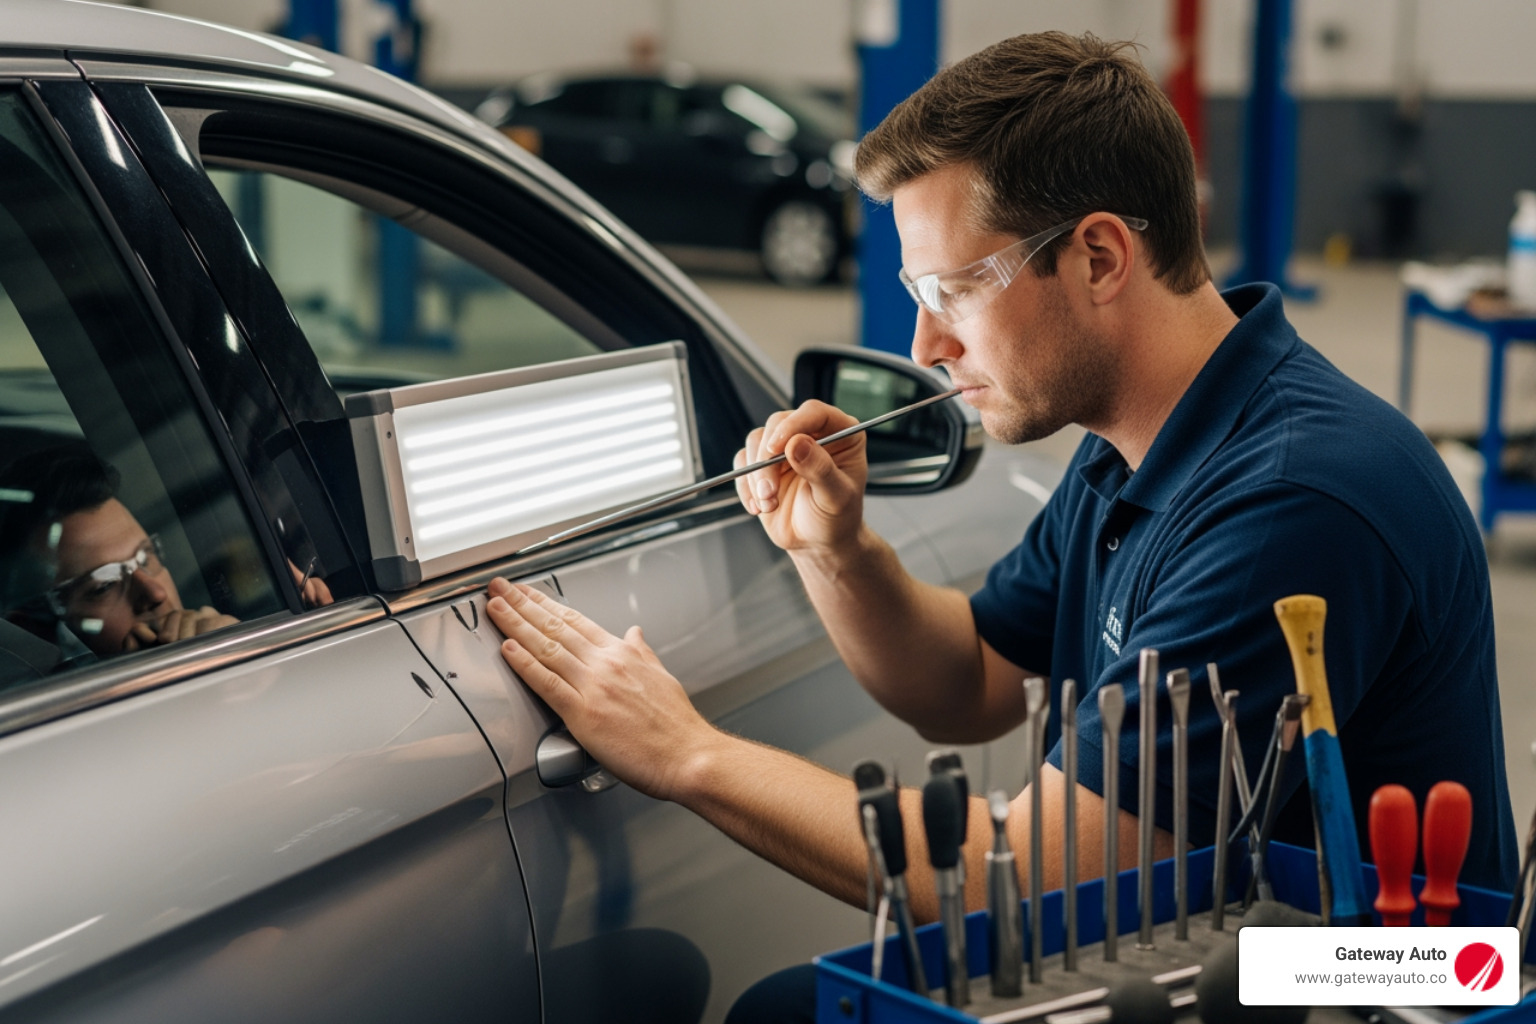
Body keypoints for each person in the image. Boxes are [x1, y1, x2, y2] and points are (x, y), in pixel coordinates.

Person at [482, 28, 1517, 969]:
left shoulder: (1291, 505)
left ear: (1100, 256)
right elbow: (973, 675)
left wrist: (688, 753)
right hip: (1209, 943)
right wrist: (835, 550)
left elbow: (1039, 878)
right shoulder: (1139, 440)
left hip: (1353, 983)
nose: (926, 349)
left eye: (952, 291)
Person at [0, 443, 239, 661]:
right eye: (104, 585)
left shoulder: (225, 641)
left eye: (146, 557)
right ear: (35, 632)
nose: (156, 593)